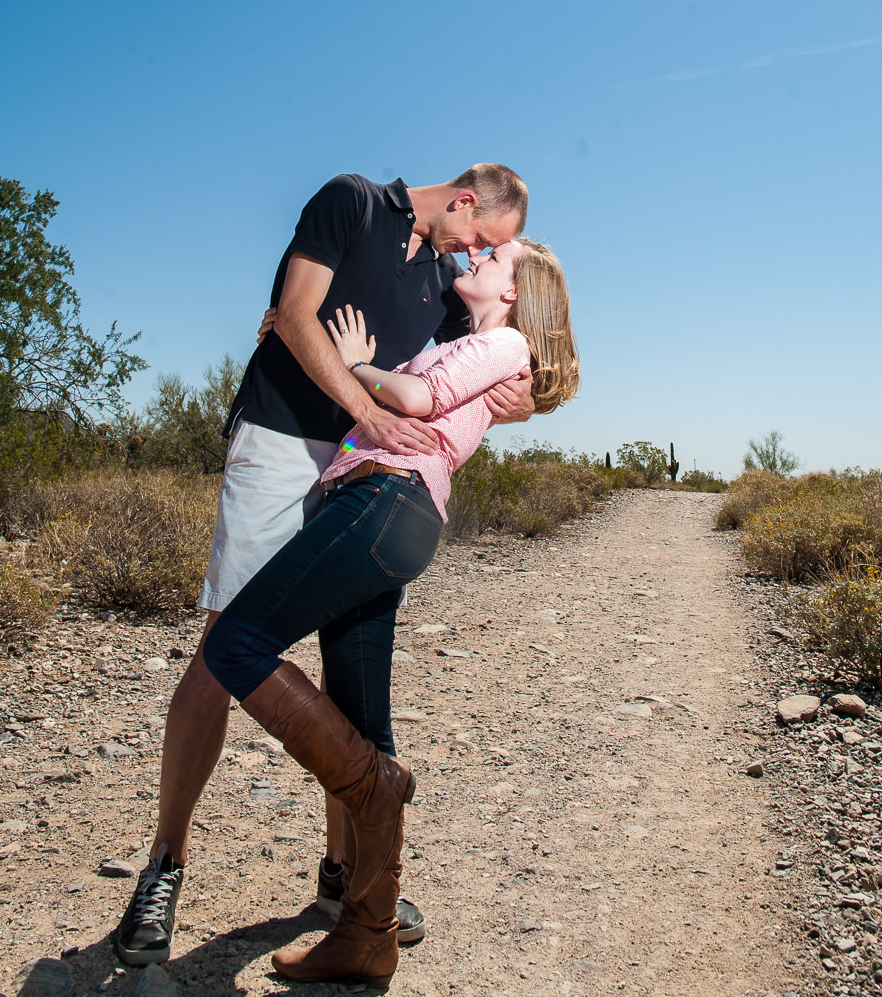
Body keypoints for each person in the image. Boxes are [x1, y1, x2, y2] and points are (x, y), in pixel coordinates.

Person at [113, 166, 533, 968]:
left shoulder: (449, 281)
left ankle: (345, 880)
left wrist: (525, 393)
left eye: (485, 253)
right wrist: (367, 404)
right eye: (478, 238)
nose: (473, 254)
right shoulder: (351, 201)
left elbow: (489, 348)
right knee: (223, 651)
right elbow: (298, 318)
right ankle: (165, 866)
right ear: (463, 201)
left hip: (361, 465)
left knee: (346, 677)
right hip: (282, 441)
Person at [202, 236, 579, 986]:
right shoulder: (466, 347)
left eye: (494, 262)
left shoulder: (503, 343)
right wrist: (294, 337)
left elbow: (411, 401)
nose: (478, 262)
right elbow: (398, 386)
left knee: (234, 645)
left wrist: (356, 362)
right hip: (377, 507)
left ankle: (378, 783)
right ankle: (368, 931)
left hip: (384, 501)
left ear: (513, 294)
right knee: (362, 720)